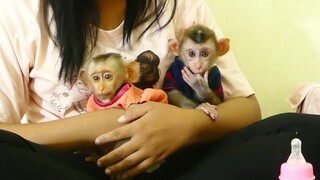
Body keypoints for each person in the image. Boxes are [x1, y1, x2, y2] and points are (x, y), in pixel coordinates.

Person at [0, 0, 263, 179]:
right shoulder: (19, 11)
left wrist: (187, 124)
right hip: (72, 169)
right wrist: (92, 128)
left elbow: (247, 109)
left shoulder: (176, 5)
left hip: (174, 161)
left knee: (297, 130)